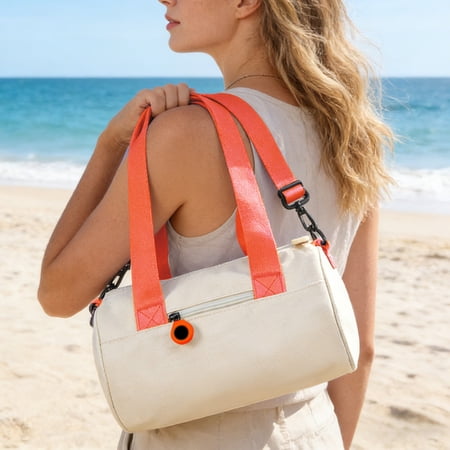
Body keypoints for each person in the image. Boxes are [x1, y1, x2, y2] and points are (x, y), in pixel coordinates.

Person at [38, 0, 393, 448]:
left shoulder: (184, 132)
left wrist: (110, 144)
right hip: (314, 428)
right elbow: (360, 349)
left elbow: (57, 293)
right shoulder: (352, 137)